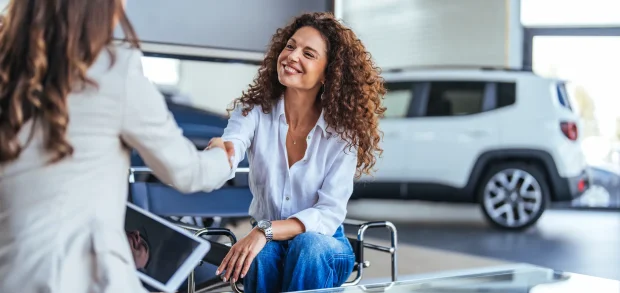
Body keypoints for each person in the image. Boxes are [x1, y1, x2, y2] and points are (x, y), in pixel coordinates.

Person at [0, 0, 232, 292]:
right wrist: (223, 157)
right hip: (84, 280)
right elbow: (187, 173)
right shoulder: (112, 70)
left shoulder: (7, 68)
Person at [213, 12, 386, 292]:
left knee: (308, 246)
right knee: (261, 255)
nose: (292, 56)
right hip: (270, 242)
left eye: (308, 53)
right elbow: (233, 145)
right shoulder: (253, 112)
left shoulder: (342, 135)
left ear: (329, 73)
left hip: (326, 246)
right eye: (290, 46)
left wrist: (264, 230)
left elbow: (328, 214)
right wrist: (222, 152)